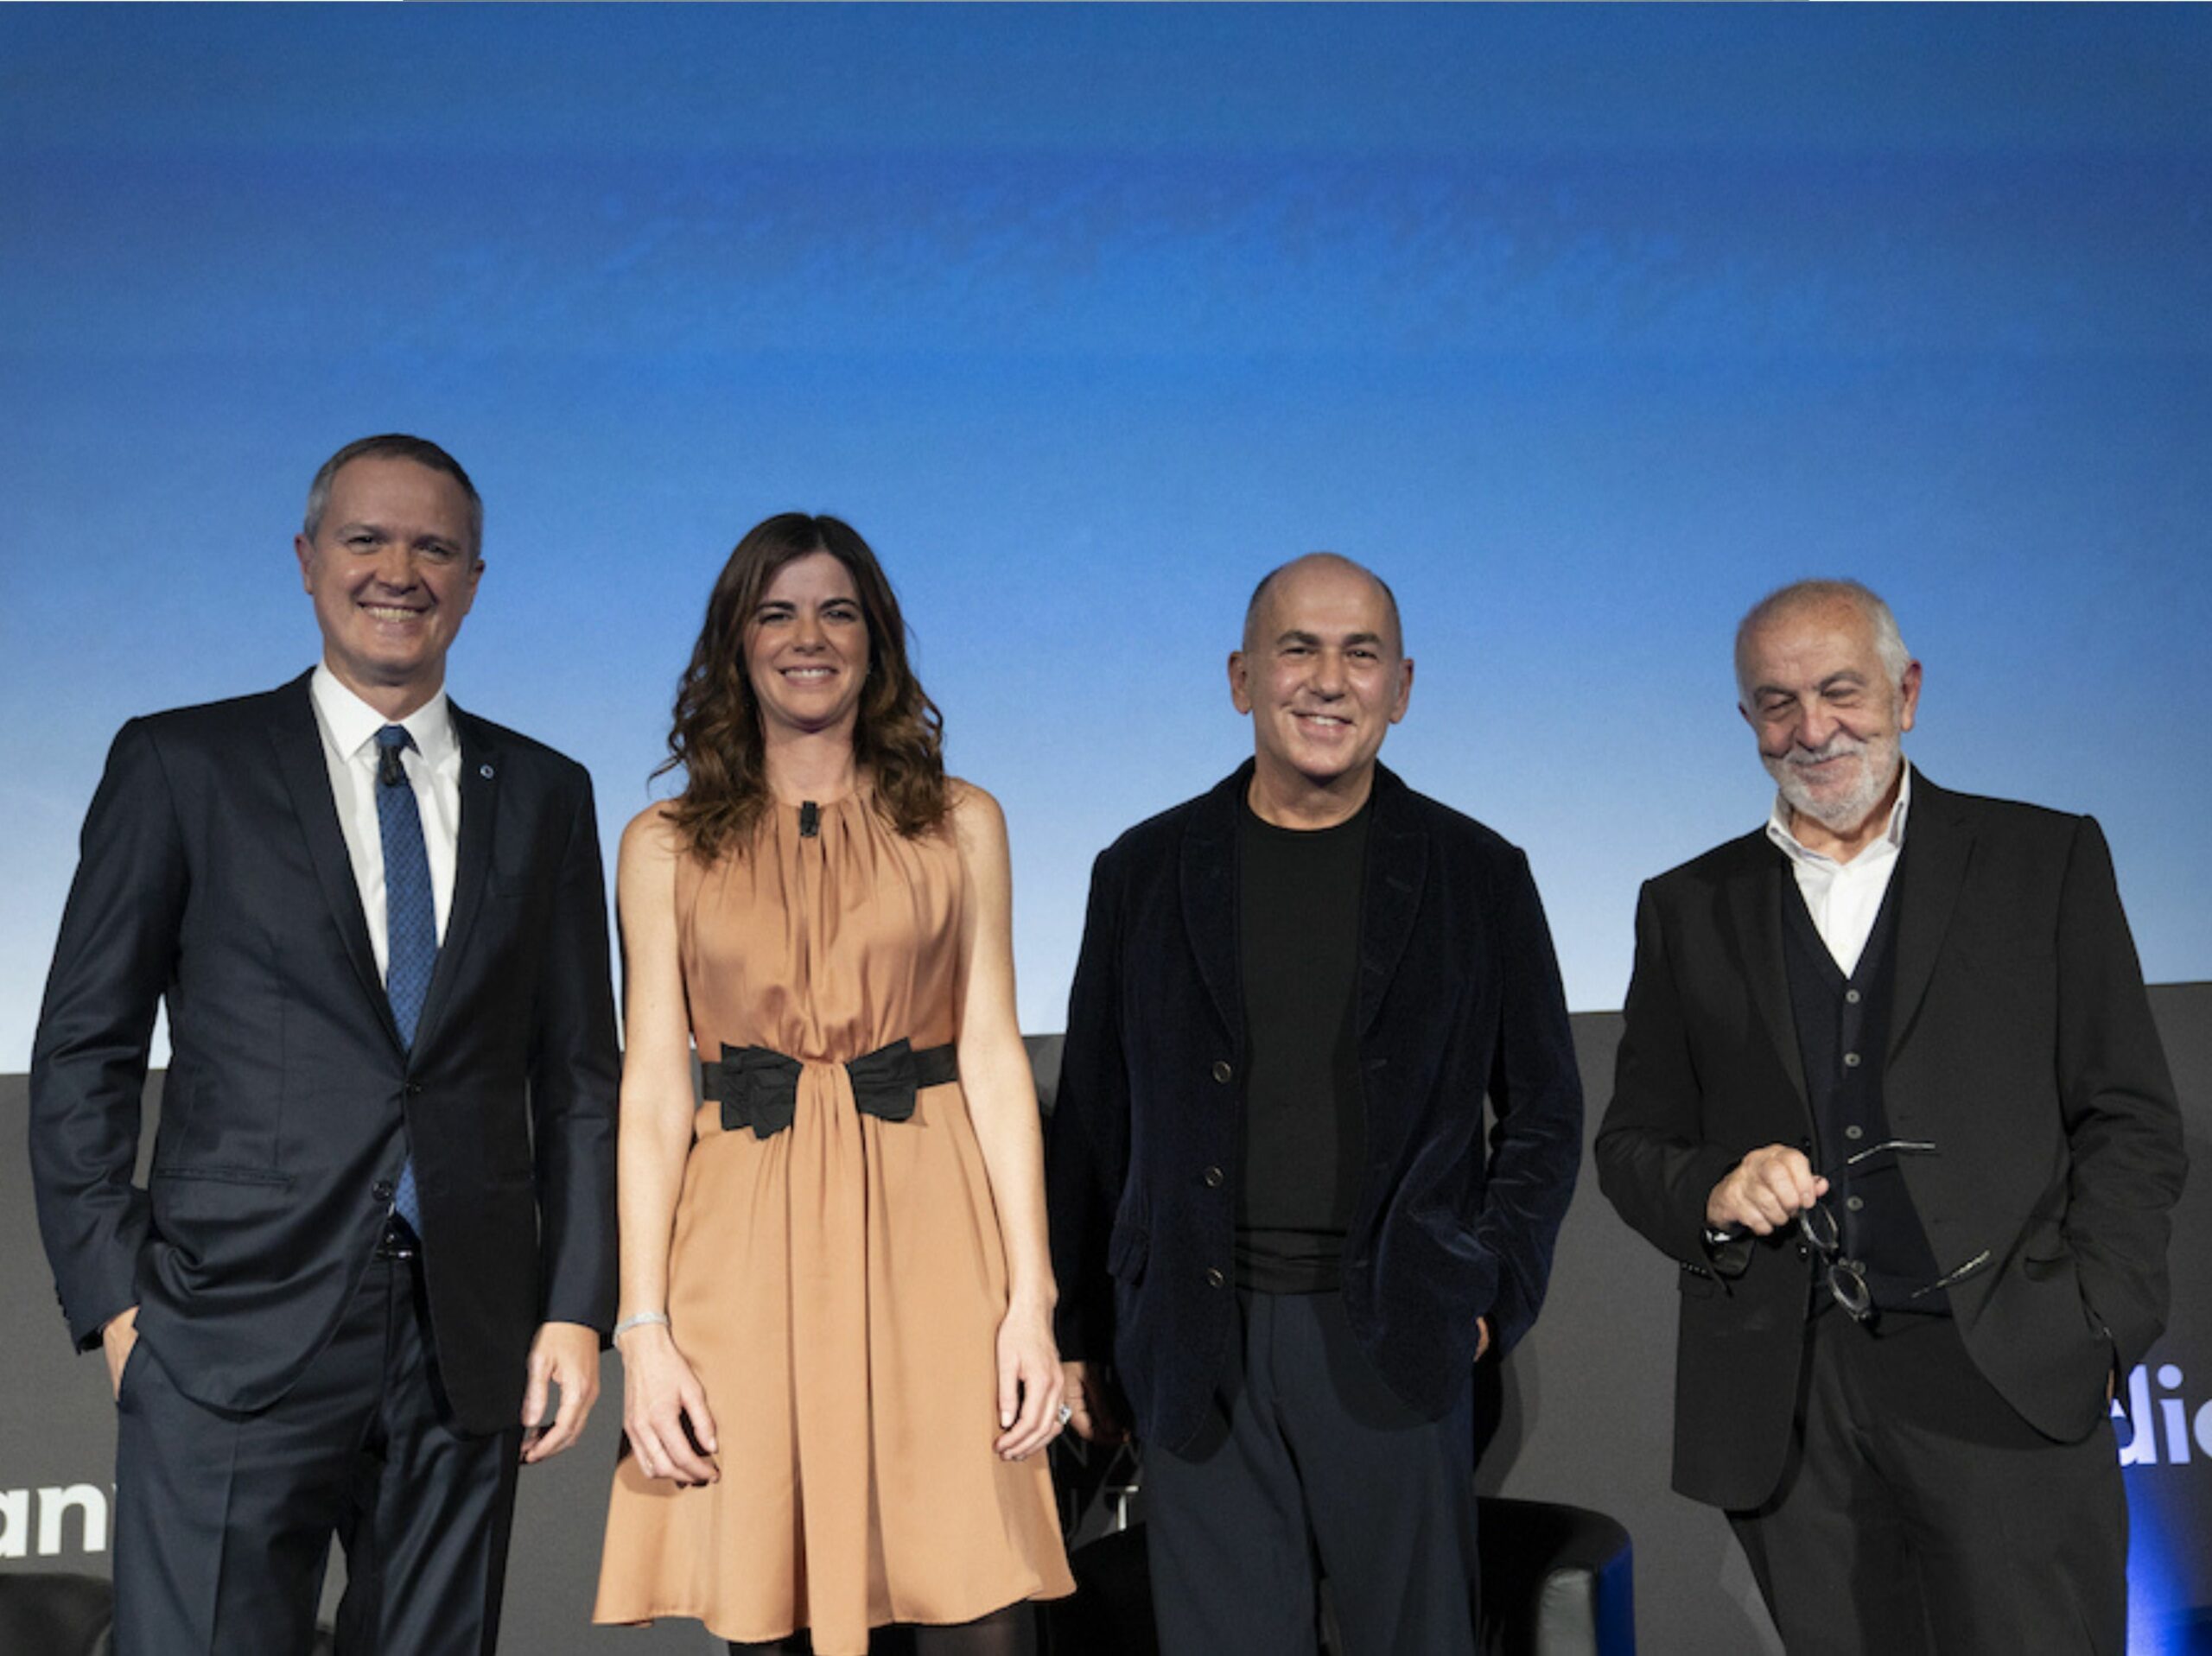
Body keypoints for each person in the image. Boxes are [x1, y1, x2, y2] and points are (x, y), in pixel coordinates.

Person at [29, 434, 620, 1653]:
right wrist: (117, 1300)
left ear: (473, 580)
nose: (398, 570)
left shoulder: (546, 791)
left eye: (433, 547)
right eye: (366, 539)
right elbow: (85, 1045)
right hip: (226, 1328)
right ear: (306, 560)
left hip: (466, 1340)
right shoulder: (182, 763)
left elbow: (576, 1081)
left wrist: (574, 1307)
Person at [1594, 578, 2185, 1654]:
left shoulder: (2042, 860)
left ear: (1905, 694)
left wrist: (2100, 1325)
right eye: (1777, 703)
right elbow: (1632, 1145)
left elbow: (2127, 1114)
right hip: (1787, 1400)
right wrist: (1715, 1190)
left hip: (2007, 1369)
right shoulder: (1684, 906)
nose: (1811, 729)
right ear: (1746, 719)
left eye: (1840, 691)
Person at [1046, 553, 1585, 1656]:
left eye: (1360, 654)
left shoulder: (1478, 872)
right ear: (1242, 677)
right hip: (1196, 1343)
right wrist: (1079, 1337)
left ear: (1402, 687)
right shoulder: (1141, 870)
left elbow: (1543, 1112)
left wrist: (1487, 1290)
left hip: (1392, 1333)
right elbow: (1094, 1124)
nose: (1329, 680)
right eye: (1298, 649)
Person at [593, 514, 1074, 1654]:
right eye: (777, 613)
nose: (808, 637)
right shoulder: (662, 844)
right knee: (769, 1607)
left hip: (933, 1230)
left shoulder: (962, 824)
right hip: (740, 1246)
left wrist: (1031, 1300)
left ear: (876, 642)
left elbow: (993, 1056)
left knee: (978, 1607)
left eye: (837, 612)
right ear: (736, 642)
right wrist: (642, 1328)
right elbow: (654, 1090)